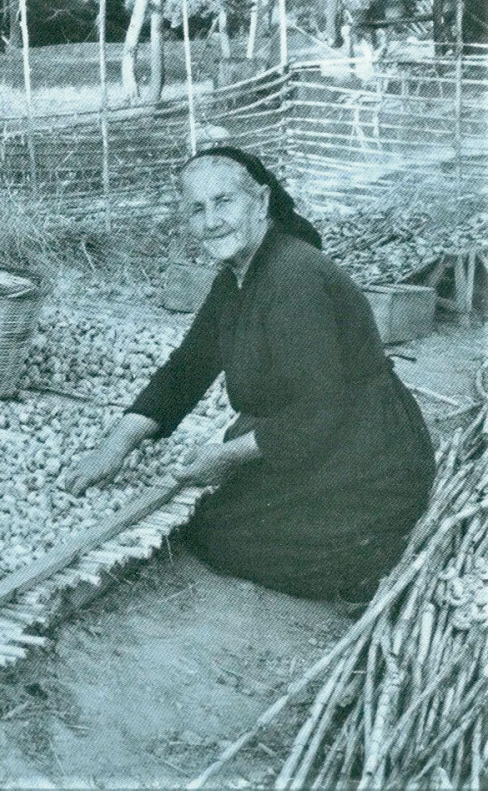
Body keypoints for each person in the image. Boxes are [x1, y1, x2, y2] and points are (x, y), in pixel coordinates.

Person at [61, 146, 436, 604]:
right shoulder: (237, 275)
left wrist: (231, 455)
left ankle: (370, 564)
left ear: (260, 202)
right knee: (219, 518)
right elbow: (188, 367)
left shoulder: (294, 276)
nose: (211, 221)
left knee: (224, 538)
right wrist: (116, 445)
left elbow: (324, 407)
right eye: (197, 210)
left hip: (367, 451)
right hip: (312, 433)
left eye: (224, 202)